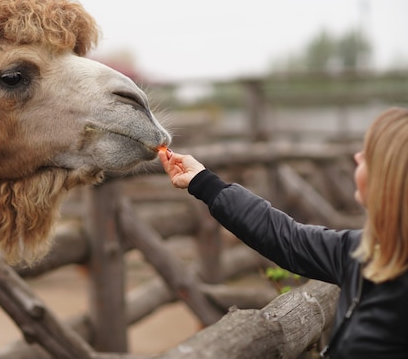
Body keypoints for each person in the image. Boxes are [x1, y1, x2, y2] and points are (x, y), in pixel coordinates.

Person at [158, 106, 408, 359]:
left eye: (370, 154)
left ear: (393, 176)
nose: (357, 157)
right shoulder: (366, 252)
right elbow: (288, 239)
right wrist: (204, 182)